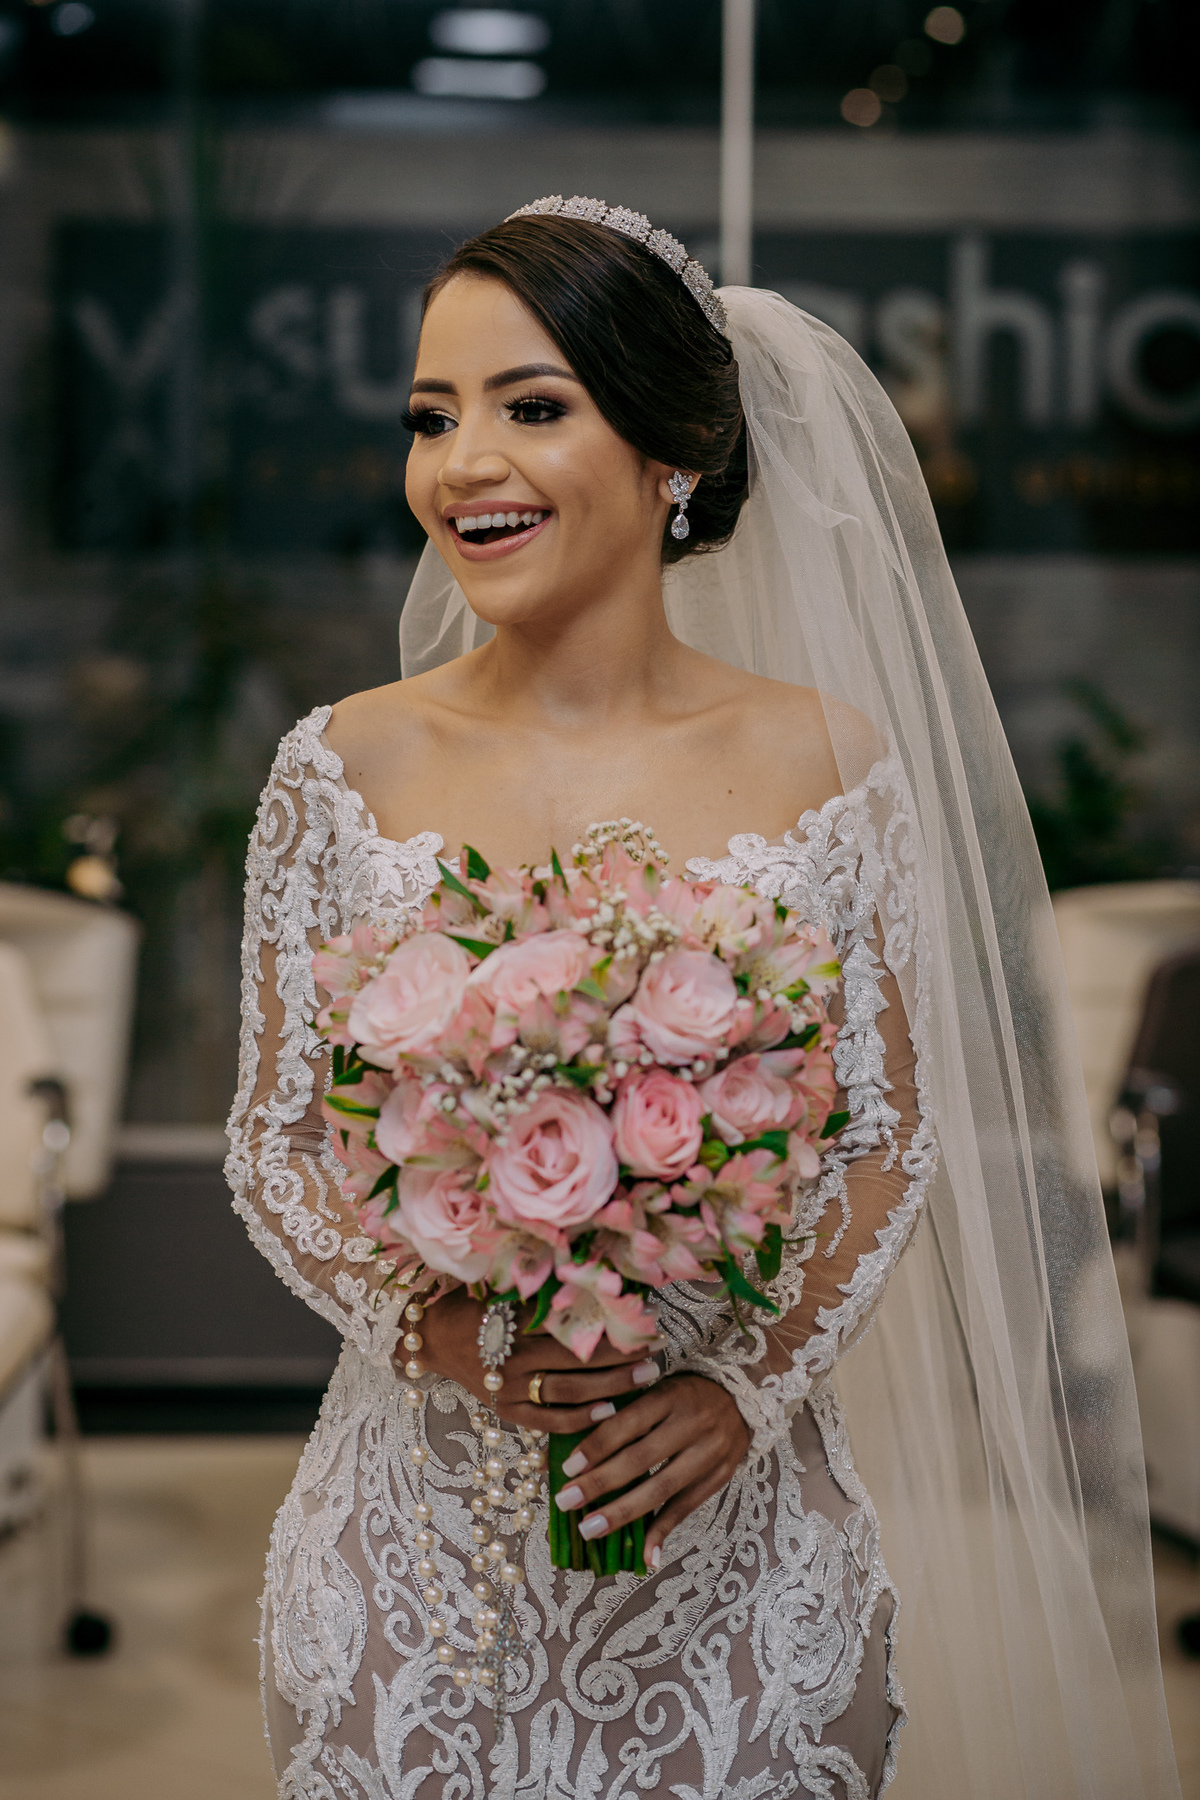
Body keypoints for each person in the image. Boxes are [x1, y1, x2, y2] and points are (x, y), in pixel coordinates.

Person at [226, 199, 1179, 1800]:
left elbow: (883, 1137)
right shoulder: (341, 766)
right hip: (420, 1561)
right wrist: (435, 1324)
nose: (463, 464)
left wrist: (745, 1382)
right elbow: (278, 1140)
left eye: (533, 406)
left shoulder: (829, 763)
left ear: (673, 451)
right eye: (431, 417)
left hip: (735, 1540)